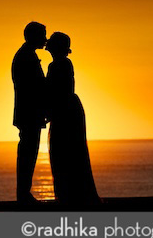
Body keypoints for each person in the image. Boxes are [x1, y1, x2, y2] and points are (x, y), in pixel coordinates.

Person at [45, 32, 101, 206]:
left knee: (64, 153)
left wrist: (49, 111)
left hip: (64, 112)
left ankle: (70, 196)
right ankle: (73, 194)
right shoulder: (63, 64)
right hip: (69, 110)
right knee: (72, 153)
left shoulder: (57, 66)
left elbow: (56, 92)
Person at [11, 21, 48, 203]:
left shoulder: (26, 55)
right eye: (42, 35)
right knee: (28, 153)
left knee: (28, 152)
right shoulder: (26, 57)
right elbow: (35, 87)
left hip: (28, 113)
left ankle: (24, 193)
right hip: (29, 114)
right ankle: (23, 194)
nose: (45, 39)